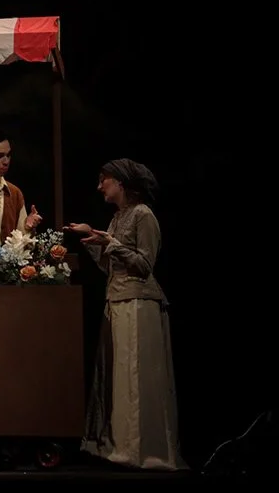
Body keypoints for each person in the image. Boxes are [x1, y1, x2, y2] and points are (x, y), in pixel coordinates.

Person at [65, 159, 185, 471]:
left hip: (138, 302)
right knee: (120, 377)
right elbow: (110, 265)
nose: (99, 186)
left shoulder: (144, 215)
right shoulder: (119, 216)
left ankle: (144, 450)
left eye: (104, 180)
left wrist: (111, 242)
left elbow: (145, 265)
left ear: (121, 183)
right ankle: (121, 446)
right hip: (117, 299)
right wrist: (94, 239)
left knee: (137, 376)